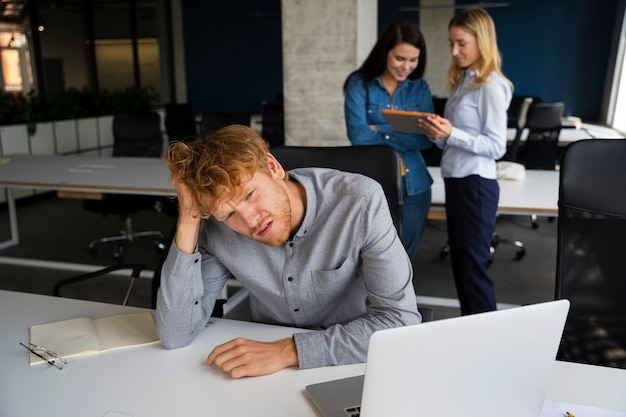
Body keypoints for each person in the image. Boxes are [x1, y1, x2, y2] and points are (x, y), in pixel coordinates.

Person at [155, 124, 421, 378]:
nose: (250, 220)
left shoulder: (360, 202)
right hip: (264, 368)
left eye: (249, 195)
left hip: (354, 360)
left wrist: (289, 350)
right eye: (229, 214)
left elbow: (400, 321)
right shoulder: (218, 229)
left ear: (273, 167)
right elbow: (176, 334)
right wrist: (188, 220)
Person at [418, 8, 513, 315]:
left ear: (481, 41)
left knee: (472, 269)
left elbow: (497, 146)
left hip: (476, 184)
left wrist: (453, 133)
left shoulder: (490, 86)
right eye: (451, 44)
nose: (454, 51)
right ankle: (473, 329)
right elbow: (454, 140)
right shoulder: (464, 81)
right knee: (461, 265)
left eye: (461, 43)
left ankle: (486, 335)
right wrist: (439, 133)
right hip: (458, 180)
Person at [343, 20, 434, 261]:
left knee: (406, 258)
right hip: (372, 182)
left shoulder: (420, 88)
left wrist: (379, 128)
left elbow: (426, 140)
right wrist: (402, 129)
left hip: (414, 185)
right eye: (399, 58)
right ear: (385, 53)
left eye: (413, 60)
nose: (406, 67)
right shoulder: (359, 84)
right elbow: (358, 136)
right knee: (372, 256)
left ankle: (399, 300)